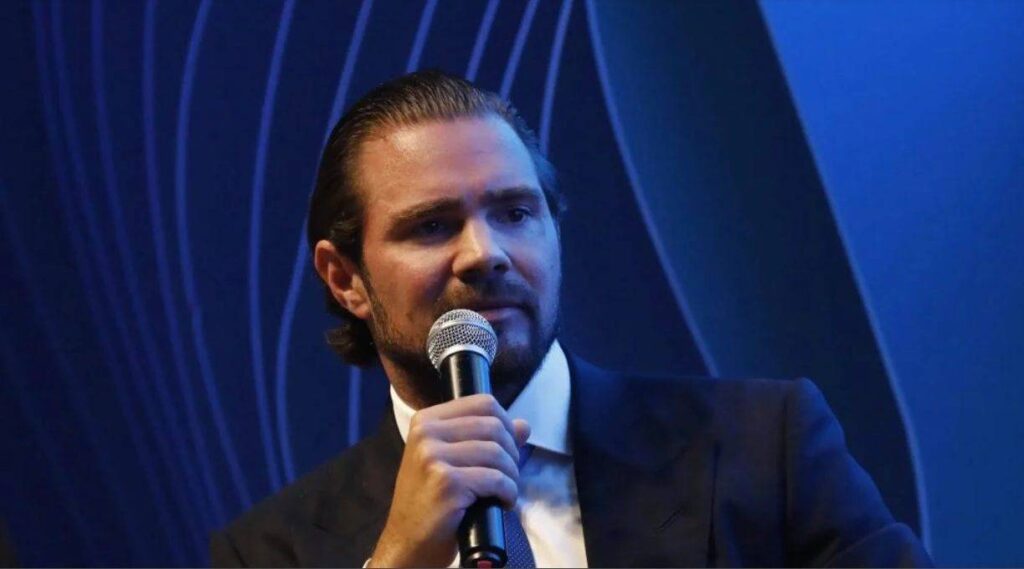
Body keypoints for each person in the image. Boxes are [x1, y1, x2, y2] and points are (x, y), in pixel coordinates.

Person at [209, 70, 932, 567]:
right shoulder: (271, 551)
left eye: (515, 212)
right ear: (345, 279)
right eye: (431, 226)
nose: (484, 253)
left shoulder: (762, 445)